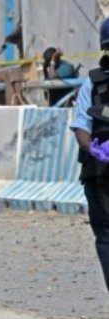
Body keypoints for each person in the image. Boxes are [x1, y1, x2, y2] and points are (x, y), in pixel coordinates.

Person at [71, 17, 109, 294]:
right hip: (100, 173)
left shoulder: (93, 83)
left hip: (99, 171)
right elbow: (81, 126)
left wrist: (92, 147)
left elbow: (81, 127)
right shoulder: (93, 83)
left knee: (107, 238)